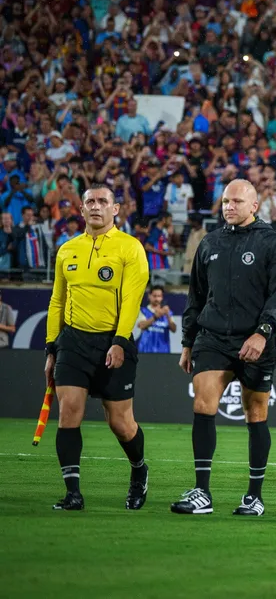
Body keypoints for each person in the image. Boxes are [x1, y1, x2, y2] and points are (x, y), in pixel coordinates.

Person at [173, 179, 276, 516]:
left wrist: (263, 332)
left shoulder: (274, 243)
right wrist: (187, 341)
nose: (230, 206)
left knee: (255, 412)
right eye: (226, 201)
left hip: (256, 337)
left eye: (237, 201)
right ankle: (202, 491)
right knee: (203, 401)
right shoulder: (210, 242)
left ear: (254, 205)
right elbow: (196, 296)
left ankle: (254, 496)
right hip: (212, 338)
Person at [44, 185, 150, 510]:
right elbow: (57, 301)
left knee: (120, 422)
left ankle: (139, 471)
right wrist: (51, 349)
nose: (95, 206)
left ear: (116, 209)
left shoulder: (130, 248)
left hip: (112, 342)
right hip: (73, 342)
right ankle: (73, 493)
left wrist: (119, 341)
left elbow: (132, 300)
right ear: (81, 209)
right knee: (69, 414)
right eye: (89, 201)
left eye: (103, 201)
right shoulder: (67, 250)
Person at [136, 286, 175, 354]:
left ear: (162, 297)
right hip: (146, 350)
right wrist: (156, 316)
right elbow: (141, 325)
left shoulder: (168, 312)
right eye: (154, 296)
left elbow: (174, 329)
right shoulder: (143, 311)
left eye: (159, 296)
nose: (157, 298)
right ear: (149, 296)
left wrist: (168, 315)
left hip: (163, 351)